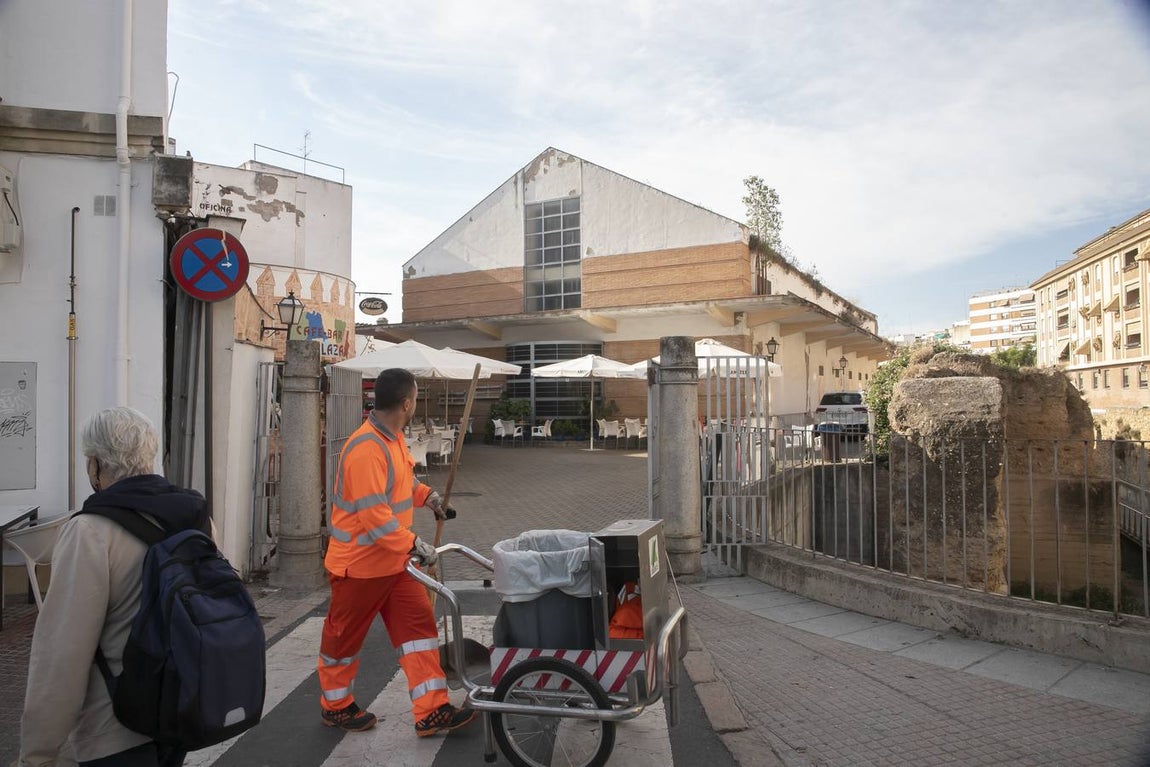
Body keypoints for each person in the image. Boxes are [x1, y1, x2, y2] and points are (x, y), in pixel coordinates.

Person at [19, 407, 211, 767]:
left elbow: (62, 652)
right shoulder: (194, 516)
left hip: (114, 727)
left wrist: (38, 753)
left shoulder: (90, 531)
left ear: (95, 465)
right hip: (179, 710)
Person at [317, 368, 475, 736]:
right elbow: (375, 518)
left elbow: (403, 483)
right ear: (406, 404)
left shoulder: (392, 439)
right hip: (359, 568)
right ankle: (335, 706)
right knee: (343, 641)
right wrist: (415, 545)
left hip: (395, 565)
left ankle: (432, 709)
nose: (415, 404)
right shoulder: (366, 448)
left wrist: (429, 498)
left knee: (419, 632)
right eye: (416, 398)